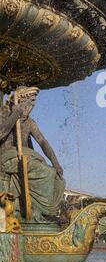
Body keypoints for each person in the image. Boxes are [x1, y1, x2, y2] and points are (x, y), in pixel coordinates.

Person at [0, 86, 66, 223]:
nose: (30, 109)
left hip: (24, 157)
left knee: (56, 176)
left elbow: (42, 142)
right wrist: (14, 116)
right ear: (20, 102)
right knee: (46, 172)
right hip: (7, 157)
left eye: (32, 105)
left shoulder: (29, 122)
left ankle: (42, 211)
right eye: (28, 104)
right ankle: (39, 211)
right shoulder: (4, 113)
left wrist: (56, 163)